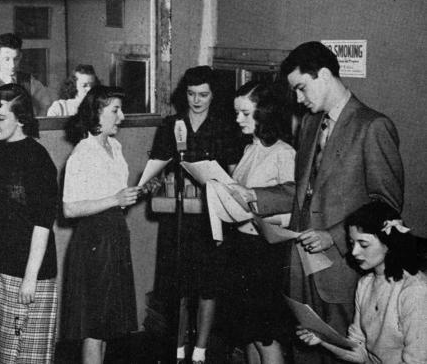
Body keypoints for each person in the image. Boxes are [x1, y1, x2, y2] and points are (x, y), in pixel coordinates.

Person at [230, 41, 404, 364]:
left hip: (341, 269)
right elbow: (300, 191)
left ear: (323, 75)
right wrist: (254, 196)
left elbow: (387, 206)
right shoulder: (311, 124)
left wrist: (334, 235)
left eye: (301, 88)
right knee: (304, 352)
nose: (298, 99)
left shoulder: (372, 127)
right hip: (301, 266)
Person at [149, 66, 243, 364]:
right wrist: (154, 181)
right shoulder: (170, 125)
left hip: (209, 218)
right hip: (177, 216)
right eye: (191, 94)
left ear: (214, 95)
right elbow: (158, 166)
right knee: (177, 286)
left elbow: (232, 174)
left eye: (203, 95)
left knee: (207, 284)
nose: (196, 100)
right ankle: (177, 348)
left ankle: (200, 350)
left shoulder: (226, 127)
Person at [0, 84, 59, 363]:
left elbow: (43, 222)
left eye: (0, 117)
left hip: (27, 273)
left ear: (21, 118)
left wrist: (30, 278)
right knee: (1, 354)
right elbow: (0, 209)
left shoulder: (38, 158)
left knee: (26, 356)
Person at [61, 85, 140, 364]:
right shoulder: (83, 153)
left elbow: (114, 195)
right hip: (94, 240)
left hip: (115, 235)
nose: (122, 116)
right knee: (95, 326)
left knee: (106, 325)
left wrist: (131, 194)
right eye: (115, 110)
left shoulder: (114, 146)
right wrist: (114, 198)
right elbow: (69, 208)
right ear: (97, 112)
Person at [297, 201, 427, 363]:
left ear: (388, 243)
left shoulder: (415, 291)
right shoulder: (365, 283)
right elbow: (358, 352)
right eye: (352, 243)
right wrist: (322, 340)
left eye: (363, 244)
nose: (354, 252)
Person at [224, 81, 295, 364]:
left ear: (264, 114)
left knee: (266, 335)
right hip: (243, 248)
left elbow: (293, 211)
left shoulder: (284, 153)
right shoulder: (251, 148)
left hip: (266, 253)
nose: (238, 119)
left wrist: (254, 209)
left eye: (245, 113)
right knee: (249, 332)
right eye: (236, 112)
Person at [0, 32, 53, 116]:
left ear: (20, 56)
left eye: (15, 59)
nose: (12, 64)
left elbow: (46, 106)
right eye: (7, 59)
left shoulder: (29, 82)